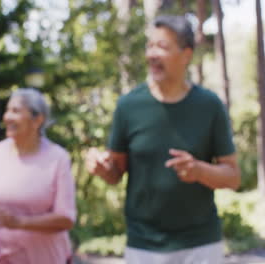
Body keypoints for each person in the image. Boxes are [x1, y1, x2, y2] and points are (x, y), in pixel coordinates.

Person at [85, 15, 241, 264]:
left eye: (162, 47)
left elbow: (233, 176)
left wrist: (199, 170)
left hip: (201, 246)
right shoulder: (128, 106)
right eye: (150, 46)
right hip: (144, 247)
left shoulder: (209, 105)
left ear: (186, 55)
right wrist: (102, 168)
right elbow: (116, 173)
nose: (152, 54)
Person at [0, 88, 77, 264]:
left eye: (16, 111)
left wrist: (19, 222)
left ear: (38, 119)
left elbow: (66, 219)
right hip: (1, 258)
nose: (7, 117)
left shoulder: (58, 158)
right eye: (7, 110)